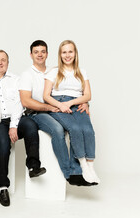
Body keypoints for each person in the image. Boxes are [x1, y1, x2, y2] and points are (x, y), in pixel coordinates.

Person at [19, 40, 95, 186]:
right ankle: (69, 173)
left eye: (43, 52)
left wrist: (84, 102)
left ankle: (77, 171)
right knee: (58, 130)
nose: (40, 55)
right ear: (31, 55)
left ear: (47, 54)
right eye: (36, 52)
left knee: (74, 128)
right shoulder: (27, 74)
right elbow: (26, 101)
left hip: (56, 109)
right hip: (36, 113)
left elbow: (73, 91)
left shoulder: (54, 71)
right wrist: (50, 107)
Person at [0, 50, 46, 207]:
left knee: (30, 125)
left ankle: (33, 166)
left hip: (17, 118)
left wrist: (13, 125)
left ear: (8, 63)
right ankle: (2, 186)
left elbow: (19, 104)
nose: (0, 62)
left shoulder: (16, 80)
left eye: (3, 60)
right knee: (2, 143)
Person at [43, 40, 100, 184]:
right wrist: (61, 105)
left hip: (77, 103)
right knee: (74, 129)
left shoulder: (81, 72)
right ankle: (82, 166)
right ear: (60, 55)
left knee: (87, 129)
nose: (67, 55)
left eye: (70, 51)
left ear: (75, 54)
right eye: (64, 52)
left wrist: (73, 102)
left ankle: (90, 167)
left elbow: (87, 95)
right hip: (58, 103)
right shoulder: (54, 72)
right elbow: (46, 95)